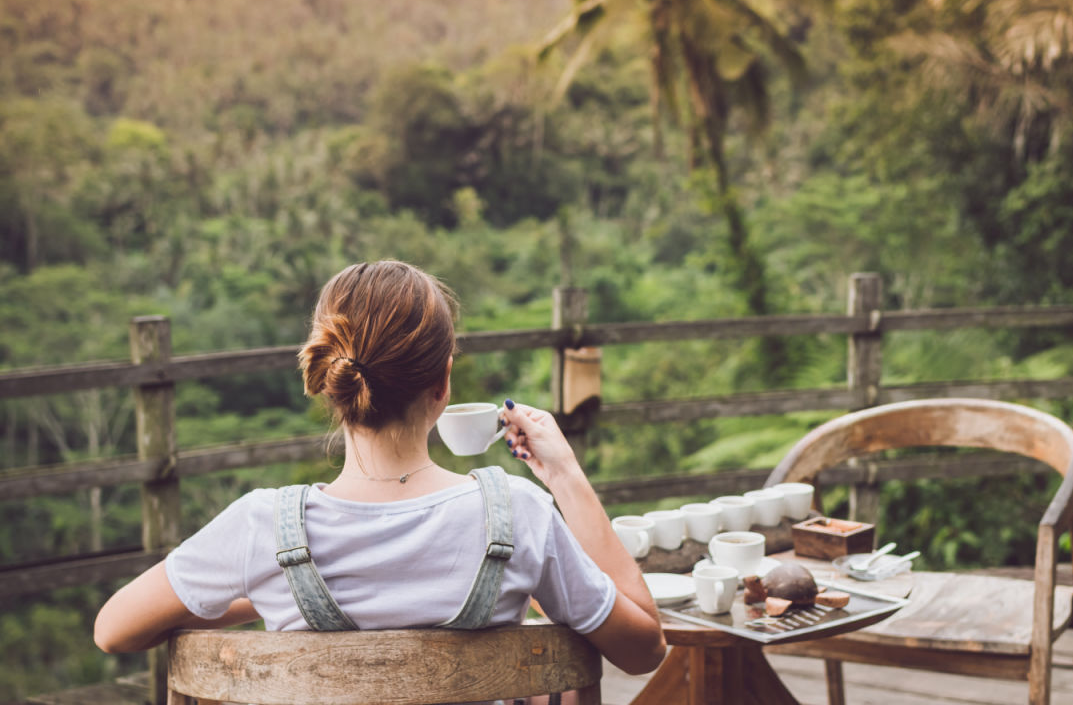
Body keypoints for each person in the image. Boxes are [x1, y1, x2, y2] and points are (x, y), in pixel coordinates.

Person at [94, 260, 666, 685]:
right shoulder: (519, 516)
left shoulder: (259, 529)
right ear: (442, 385)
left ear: (329, 380)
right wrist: (565, 474)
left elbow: (113, 630)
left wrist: (261, 589)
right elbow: (645, 648)